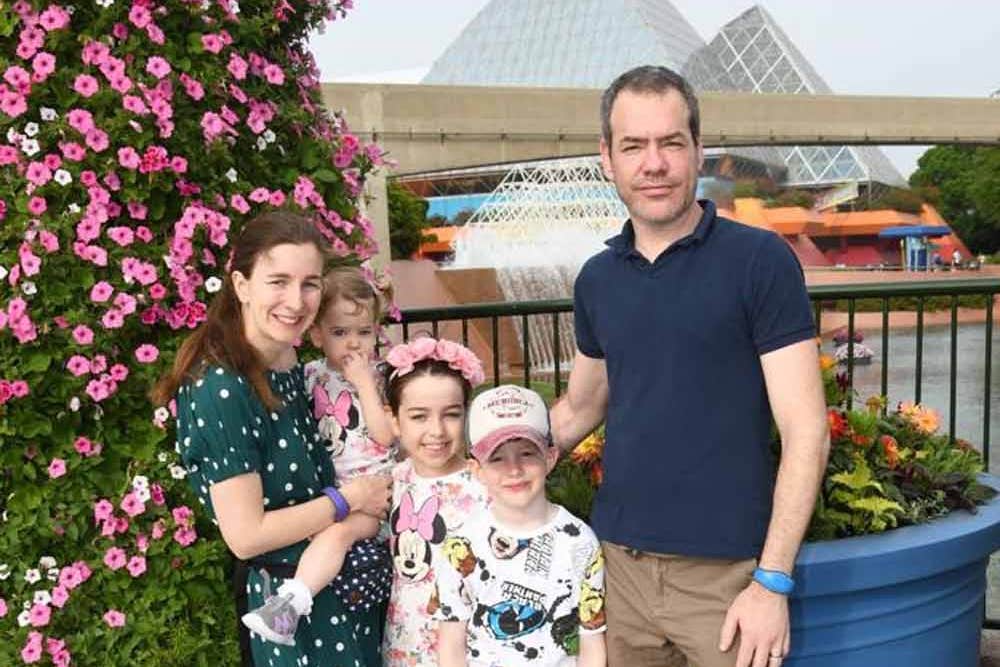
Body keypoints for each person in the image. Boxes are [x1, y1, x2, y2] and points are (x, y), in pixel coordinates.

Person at [549, 66, 829, 667]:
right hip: (617, 572)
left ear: (698, 150)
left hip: (726, 581)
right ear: (607, 157)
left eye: (671, 142)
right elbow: (581, 407)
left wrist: (772, 581)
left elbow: (807, 429)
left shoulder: (759, 262)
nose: (653, 163)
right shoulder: (597, 279)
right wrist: (481, 450)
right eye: (633, 146)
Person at [153, 211, 392, 666]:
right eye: (277, 281)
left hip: (352, 595)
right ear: (241, 286)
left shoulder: (297, 369)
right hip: (295, 615)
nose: (296, 300)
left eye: (309, 283)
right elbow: (245, 536)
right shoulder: (220, 387)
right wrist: (350, 499)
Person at [240, 265, 396, 644]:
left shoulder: (383, 375)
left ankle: (288, 608)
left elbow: (385, 434)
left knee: (339, 535)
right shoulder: (311, 375)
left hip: (380, 499)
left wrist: (363, 384)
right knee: (327, 533)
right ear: (316, 334)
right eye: (340, 333)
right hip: (334, 495)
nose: (354, 344)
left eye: (363, 332)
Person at [435, 385, 607, 667]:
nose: (514, 470)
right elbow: (451, 644)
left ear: (550, 458)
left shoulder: (580, 541)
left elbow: (591, 640)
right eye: (497, 458)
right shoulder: (462, 543)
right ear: (477, 470)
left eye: (527, 453)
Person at [379, 337, 490, 667]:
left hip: (471, 651)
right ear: (395, 419)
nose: (437, 431)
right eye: (419, 416)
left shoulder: (485, 486)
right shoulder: (391, 483)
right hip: (404, 646)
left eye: (451, 415)